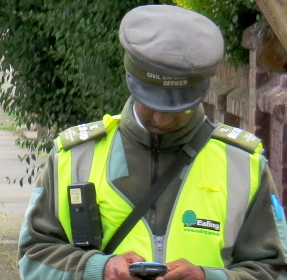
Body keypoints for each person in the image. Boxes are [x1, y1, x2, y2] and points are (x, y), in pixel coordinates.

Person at [18, 5, 287, 280]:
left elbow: (275, 271)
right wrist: (101, 270)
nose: (161, 119)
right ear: (131, 80)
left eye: (176, 108)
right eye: (150, 103)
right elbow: (32, 259)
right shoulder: (73, 157)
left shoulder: (244, 164)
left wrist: (209, 278)